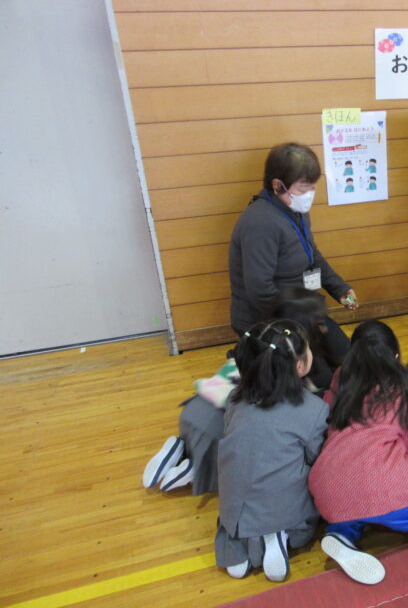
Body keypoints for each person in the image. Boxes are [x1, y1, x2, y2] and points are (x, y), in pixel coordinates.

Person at [309, 321, 408, 608]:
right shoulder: (403, 382)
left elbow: (328, 415)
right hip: (386, 485)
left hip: (327, 483)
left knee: (354, 505)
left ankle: (340, 534)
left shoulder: (341, 375)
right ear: (395, 356)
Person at [141, 287, 346, 494]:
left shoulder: (258, 343)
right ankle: (194, 469)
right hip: (216, 431)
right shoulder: (288, 368)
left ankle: (180, 451)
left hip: (193, 412)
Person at [215, 319, 328, 581]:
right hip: (284, 506)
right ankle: (278, 532)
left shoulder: (235, 398)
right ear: (300, 366)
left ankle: (244, 544)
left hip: (234, 509)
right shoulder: (314, 409)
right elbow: (316, 460)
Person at [228, 143, 357, 343]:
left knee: (346, 355)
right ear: (278, 185)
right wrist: (301, 318)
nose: (310, 194)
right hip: (268, 321)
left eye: (313, 187)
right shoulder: (260, 223)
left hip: (301, 313)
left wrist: (340, 289)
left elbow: (312, 256)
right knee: (319, 369)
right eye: (303, 187)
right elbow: (259, 290)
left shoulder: (296, 212)